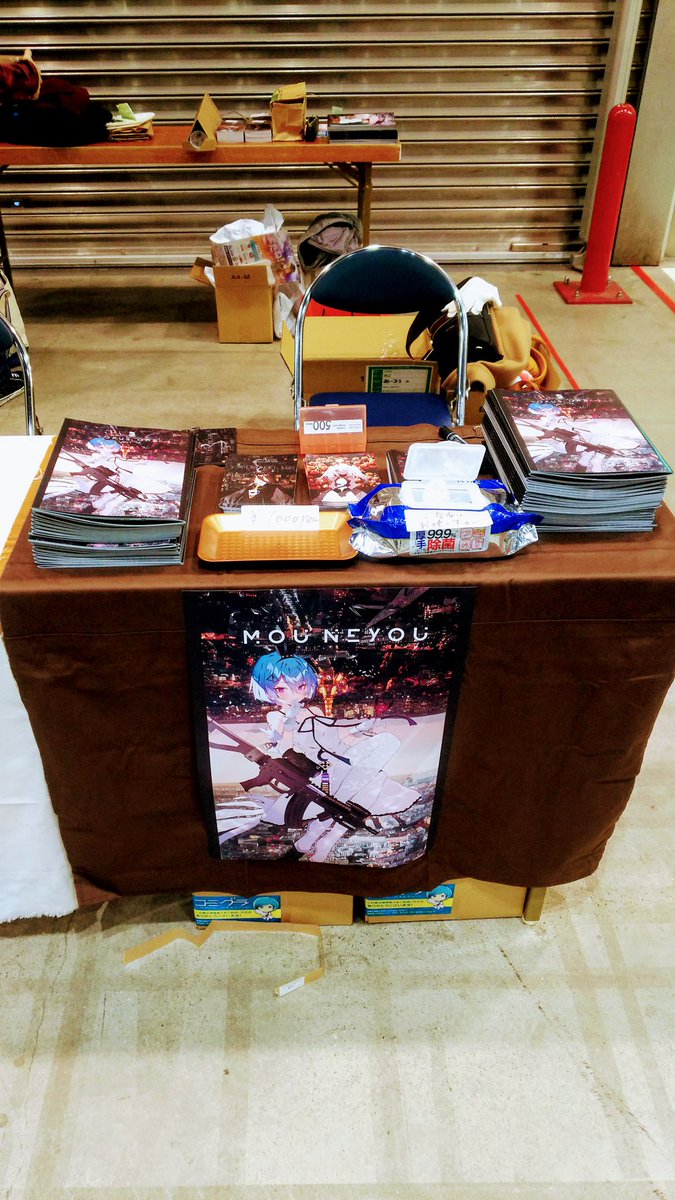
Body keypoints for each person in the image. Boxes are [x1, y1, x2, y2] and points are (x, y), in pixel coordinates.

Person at [216, 651, 419, 863]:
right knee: (373, 777)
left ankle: (321, 839)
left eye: (301, 686)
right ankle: (324, 840)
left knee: (386, 745)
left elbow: (337, 744)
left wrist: (359, 730)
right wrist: (289, 723)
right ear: (267, 690)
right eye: (282, 689)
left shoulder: (314, 710)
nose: (294, 693)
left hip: (335, 764)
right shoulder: (276, 716)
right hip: (314, 772)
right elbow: (284, 746)